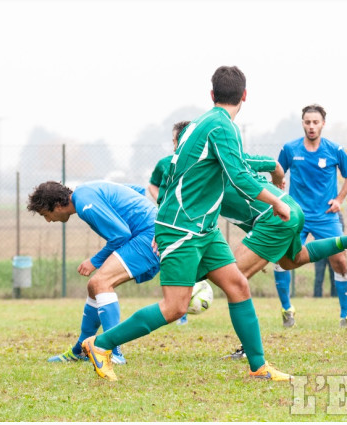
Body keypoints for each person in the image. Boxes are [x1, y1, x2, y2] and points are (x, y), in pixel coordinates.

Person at [80, 65, 294, 382]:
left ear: (212, 94)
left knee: (238, 285)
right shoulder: (223, 128)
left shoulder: (198, 125)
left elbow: (173, 176)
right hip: (184, 230)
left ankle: (258, 366)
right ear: (244, 96)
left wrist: (161, 222)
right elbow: (239, 177)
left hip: (201, 229)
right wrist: (276, 200)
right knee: (175, 307)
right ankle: (100, 344)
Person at [219, 153, 347, 330]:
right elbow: (276, 167)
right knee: (292, 260)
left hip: (274, 216)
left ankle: (248, 348)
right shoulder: (233, 159)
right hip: (290, 208)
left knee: (234, 278)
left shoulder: (216, 168)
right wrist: (277, 188)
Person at [27, 180, 160, 365]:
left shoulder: (84, 204)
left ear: (57, 205)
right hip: (148, 233)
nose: (48, 220)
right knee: (94, 286)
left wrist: (94, 261)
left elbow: (121, 234)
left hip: (148, 236)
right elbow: (136, 189)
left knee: (101, 283)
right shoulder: (84, 192)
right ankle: (81, 349)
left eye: (46, 214)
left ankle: (114, 352)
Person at [276, 104, 347, 327]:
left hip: (326, 216)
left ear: (322, 124)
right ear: (303, 123)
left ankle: (345, 315)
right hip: (297, 217)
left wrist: (339, 200)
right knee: (282, 258)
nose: (311, 126)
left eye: (315, 122)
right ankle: (287, 309)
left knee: (340, 260)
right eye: (307, 122)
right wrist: (279, 194)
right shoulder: (290, 149)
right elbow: (277, 174)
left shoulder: (334, 150)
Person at [148, 120, 191, 325]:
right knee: (170, 262)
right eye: (173, 140)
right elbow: (152, 185)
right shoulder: (165, 163)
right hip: (169, 223)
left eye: (176, 140)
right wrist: (163, 204)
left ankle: (184, 303)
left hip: (194, 225)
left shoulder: (199, 163)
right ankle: (177, 309)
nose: (174, 144)